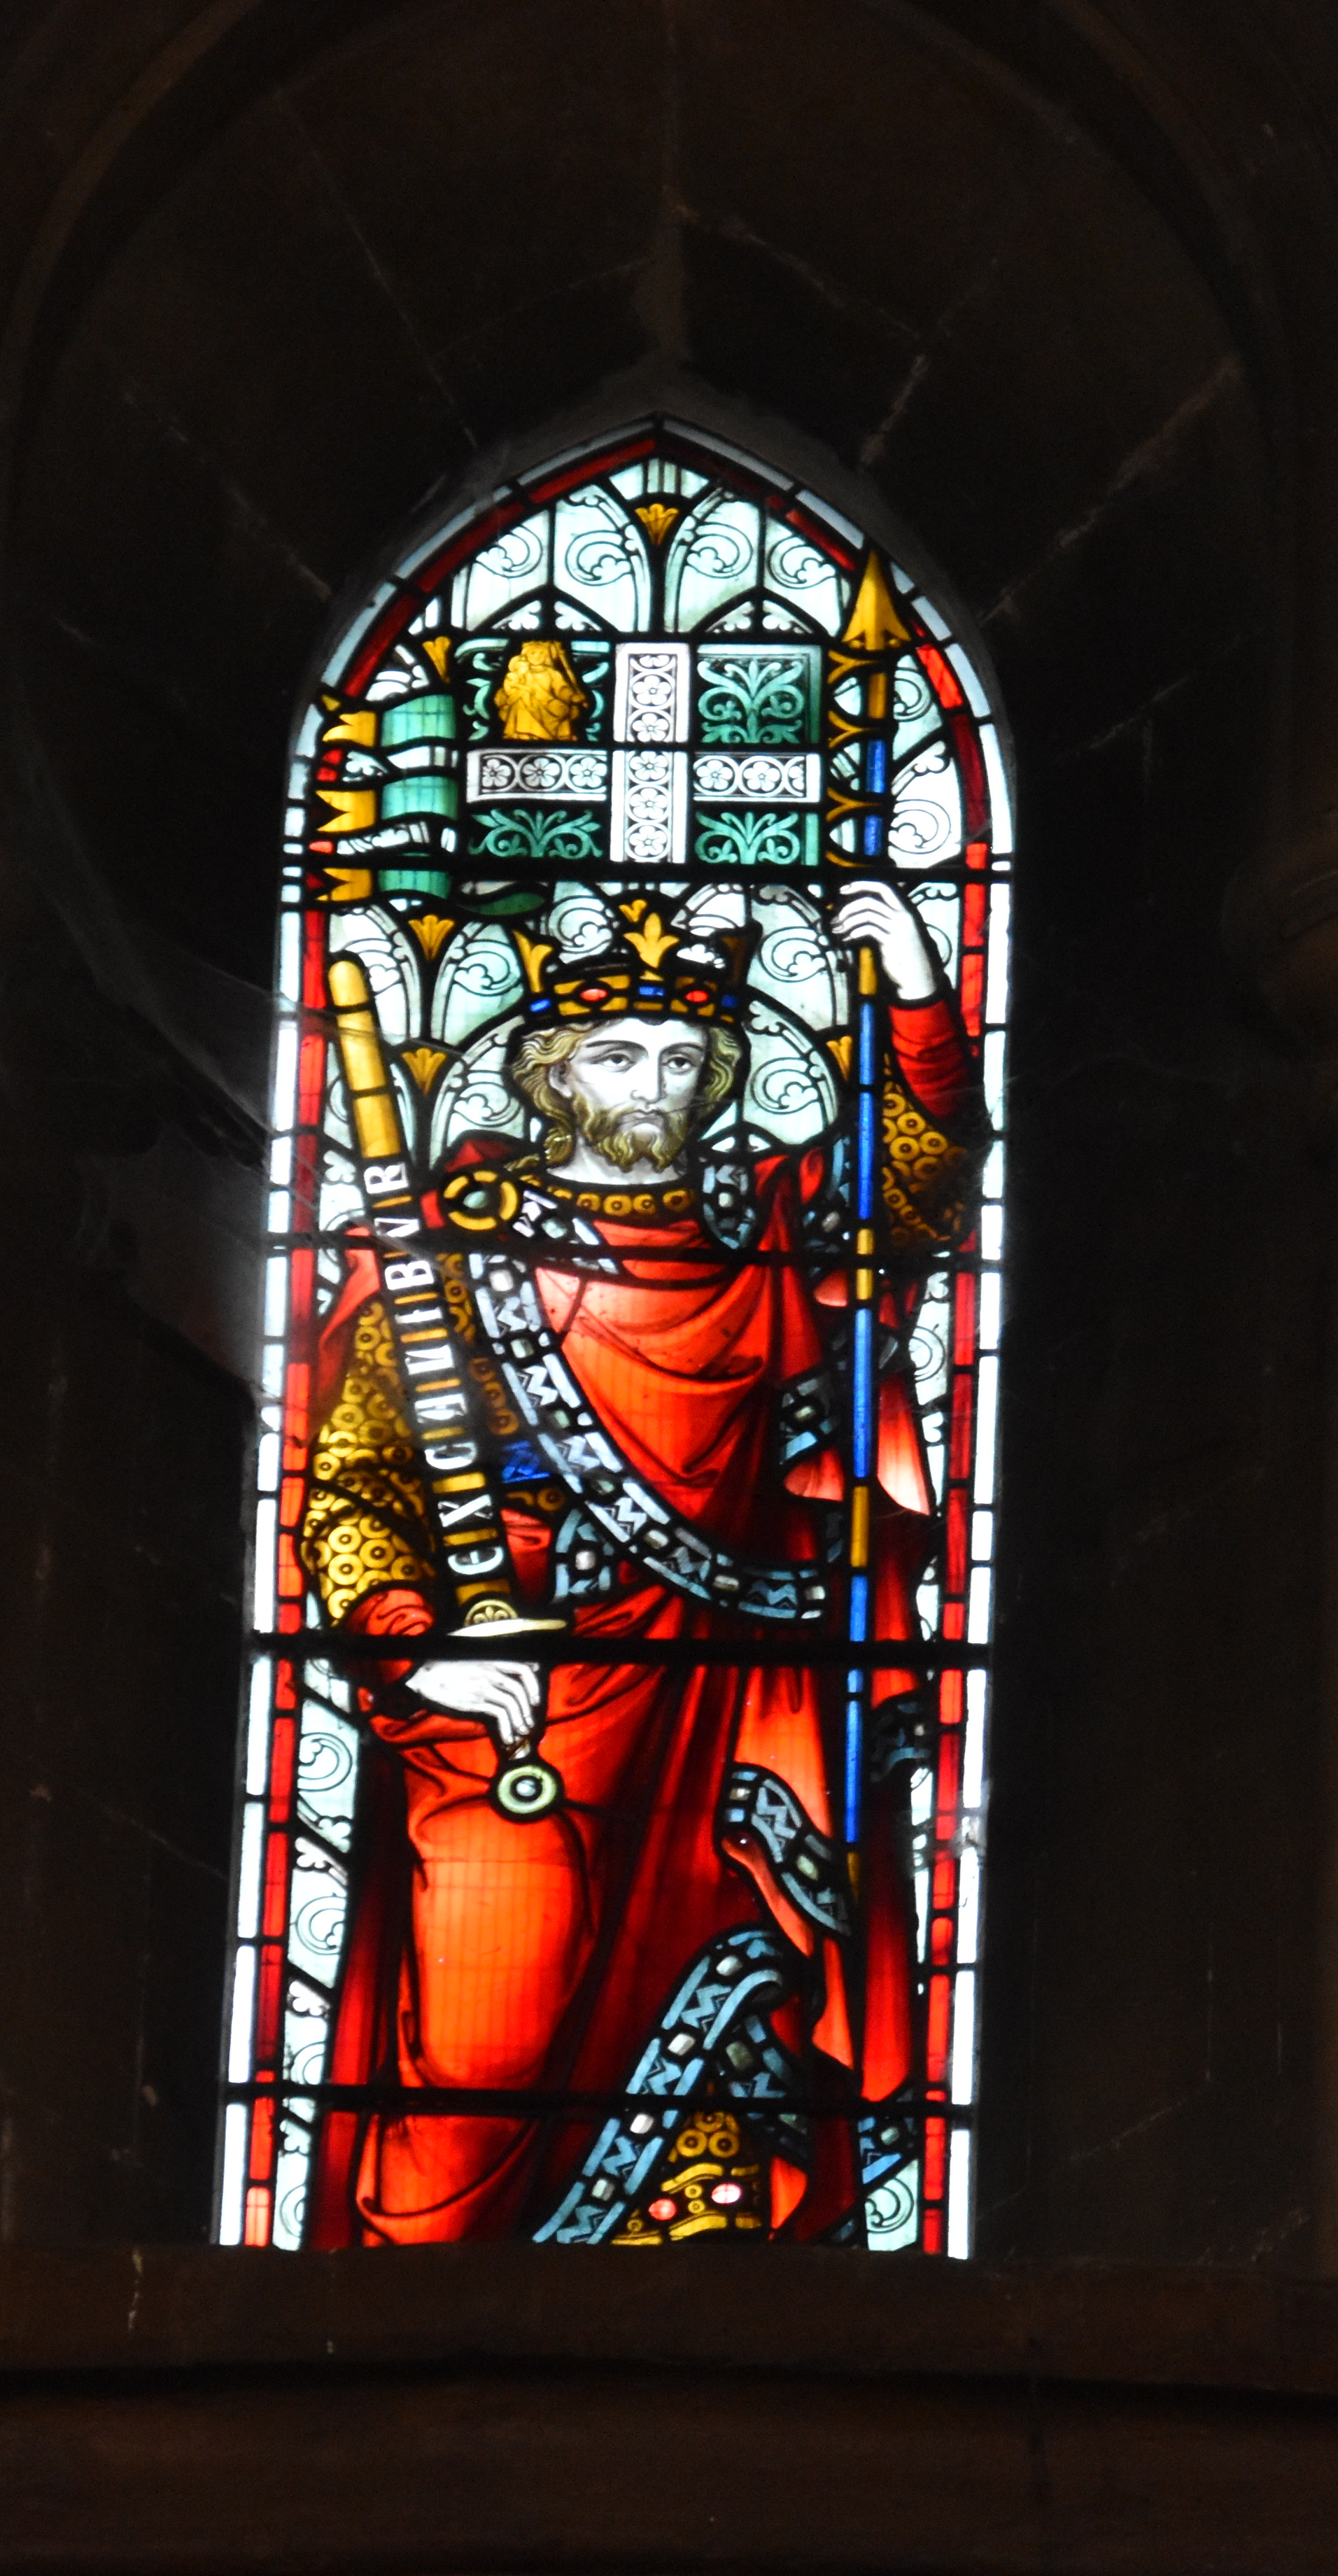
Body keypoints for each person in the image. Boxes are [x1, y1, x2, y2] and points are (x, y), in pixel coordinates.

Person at [299, 882, 985, 2244]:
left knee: (735, 2012)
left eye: (683, 1061)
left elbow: (917, 1188)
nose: (652, 1085)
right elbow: (356, 1478)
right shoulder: (449, 1244)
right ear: (551, 1069)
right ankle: (405, 2356)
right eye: (617, 1054)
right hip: (513, 1704)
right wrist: (414, 1640)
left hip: (736, 1710)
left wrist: (913, 994)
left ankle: (711, 2309)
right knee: (476, 2060)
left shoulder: (774, 1224)